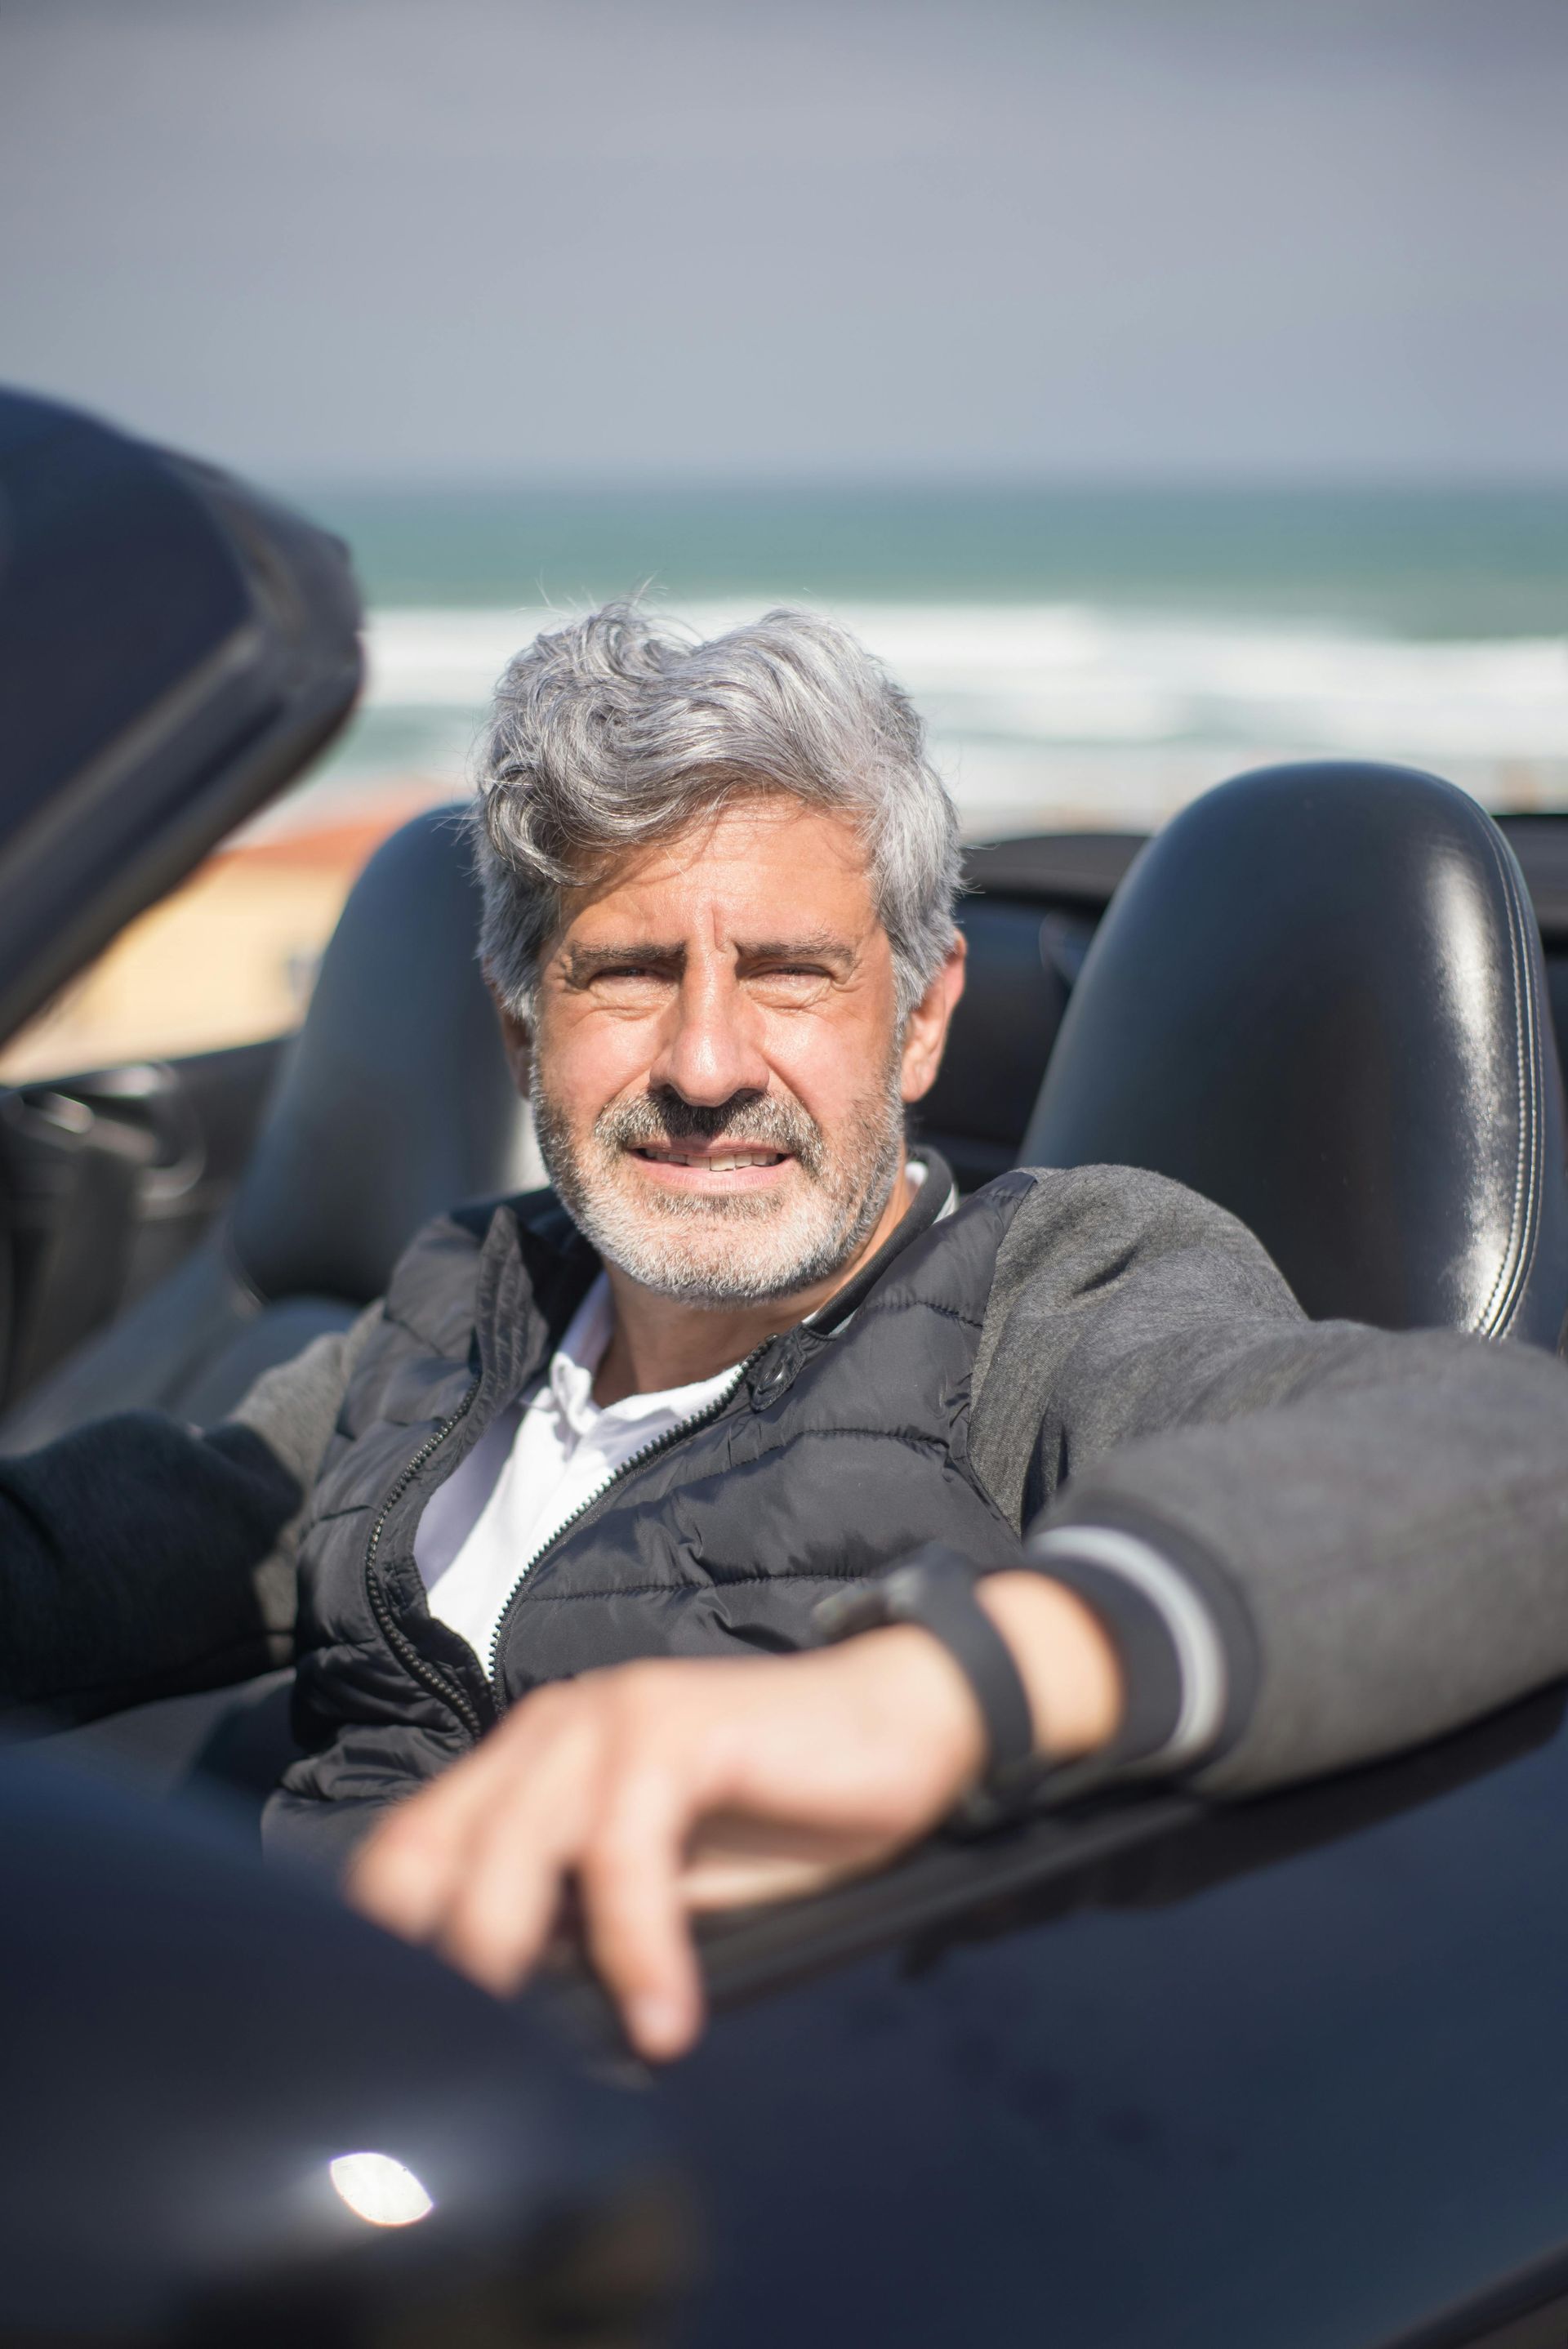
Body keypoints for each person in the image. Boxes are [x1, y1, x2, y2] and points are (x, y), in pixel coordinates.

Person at [8, 601, 1568, 2062]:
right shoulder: (468, 1293)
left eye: (791, 974)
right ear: (523, 1030)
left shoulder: (1050, 1286)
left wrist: (932, 1695)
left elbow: (1511, 1447)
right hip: (252, 2077)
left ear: (922, 1018)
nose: (705, 1063)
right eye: (627, 974)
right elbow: (127, 1538)